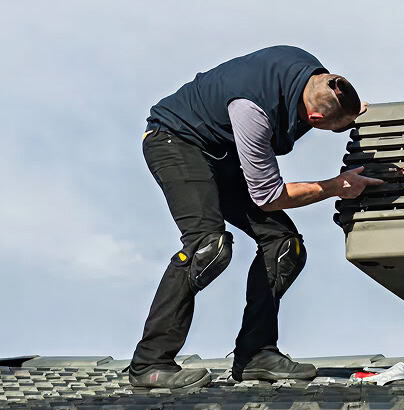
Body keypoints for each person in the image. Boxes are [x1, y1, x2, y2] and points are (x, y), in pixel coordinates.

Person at [129, 45, 383, 389]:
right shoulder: (252, 112)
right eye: (335, 128)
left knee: (284, 245)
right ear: (315, 120)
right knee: (208, 247)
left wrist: (354, 114)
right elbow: (268, 197)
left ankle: (255, 354)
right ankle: (150, 363)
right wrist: (336, 186)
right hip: (175, 139)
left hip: (219, 149)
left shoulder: (314, 76)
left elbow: (333, 102)